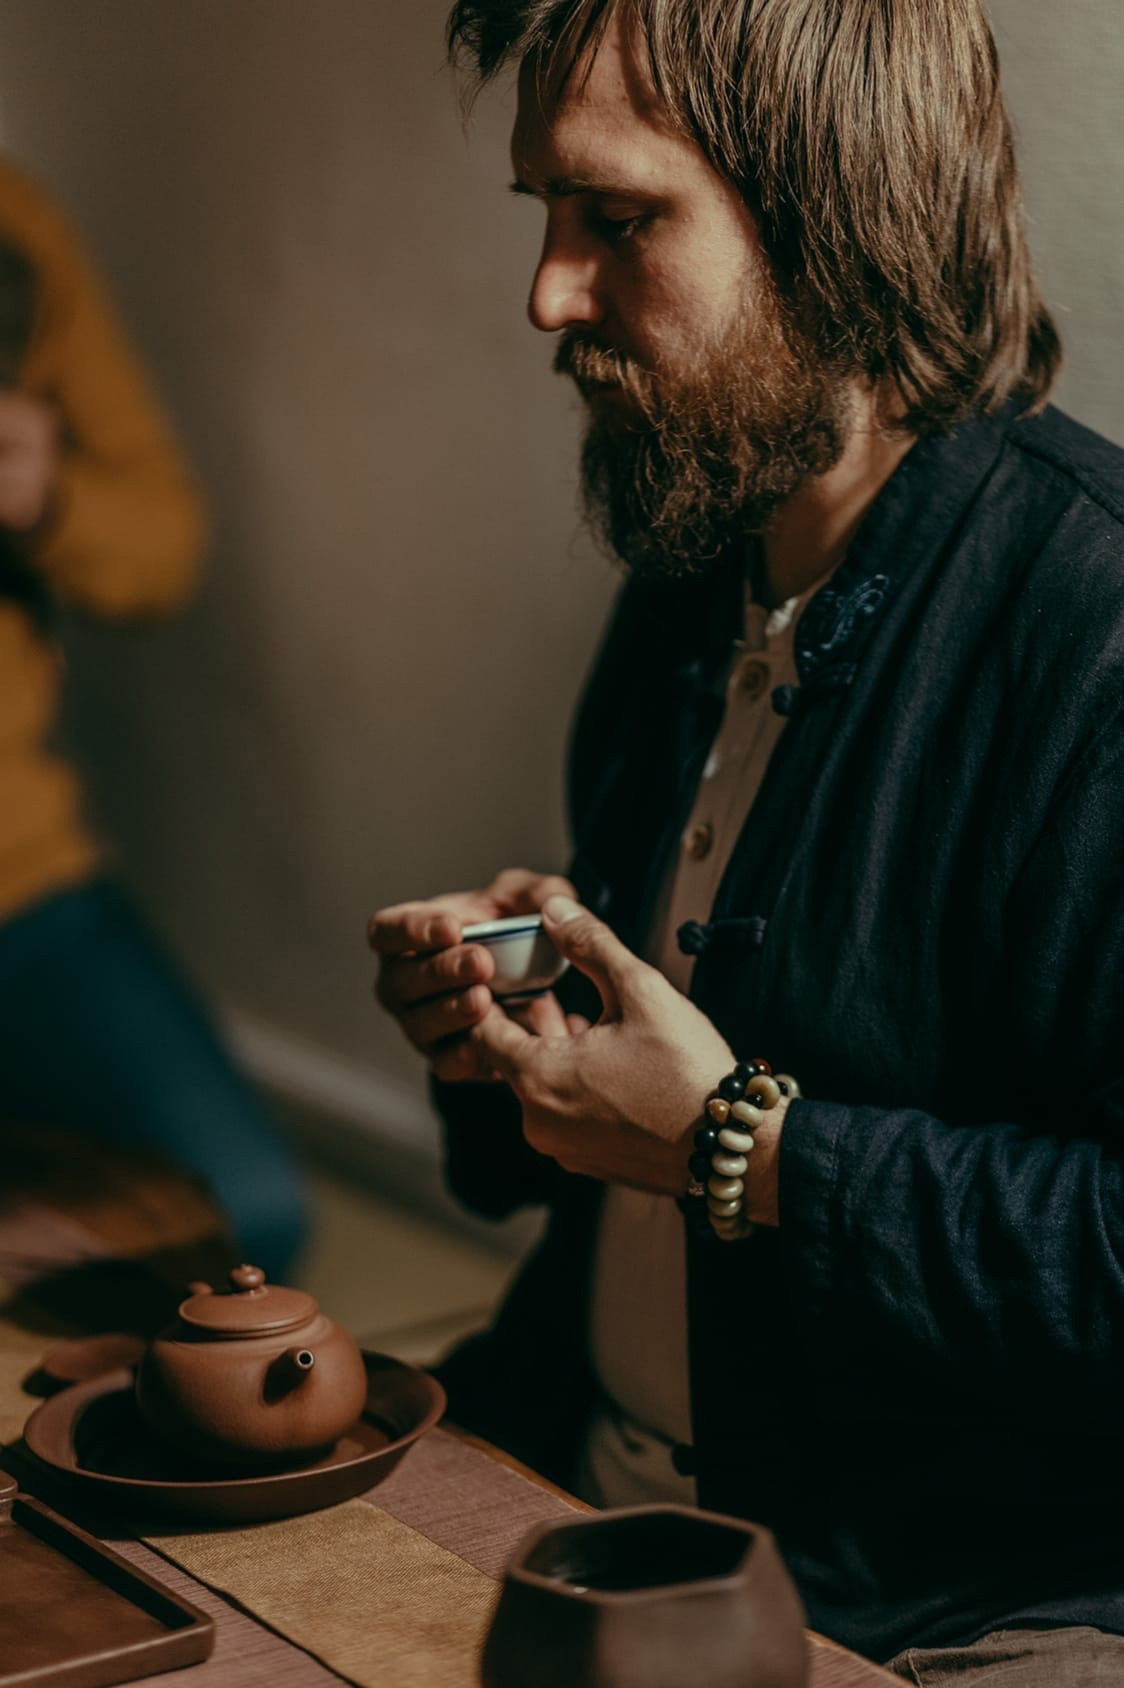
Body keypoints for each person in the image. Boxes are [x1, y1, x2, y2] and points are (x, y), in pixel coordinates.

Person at [368, 2, 1124, 1680]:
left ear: (839, 219)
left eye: (616, 220)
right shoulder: (690, 569)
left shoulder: (1090, 625)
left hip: (945, 1595)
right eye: (545, 219)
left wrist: (742, 1145)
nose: (547, 294)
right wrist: (508, 1042)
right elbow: (590, 1152)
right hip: (587, 1488)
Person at [0, 157, 307, 1282]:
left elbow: (160, 545)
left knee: (245, 1215)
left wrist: (43, 496)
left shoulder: (14, 229)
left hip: (21, 886)